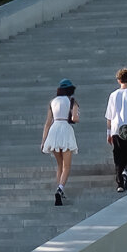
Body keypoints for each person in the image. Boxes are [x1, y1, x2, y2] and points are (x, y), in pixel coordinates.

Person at [40, 78, 80, 206]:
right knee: (67, 166)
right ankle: (60, 189)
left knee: (59, 165)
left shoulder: (52, 102)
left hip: (54, 130)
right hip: (65, 130)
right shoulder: (72, 101)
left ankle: (59, 188)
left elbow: (47, 123)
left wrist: (43, 141)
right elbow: (75, 118)